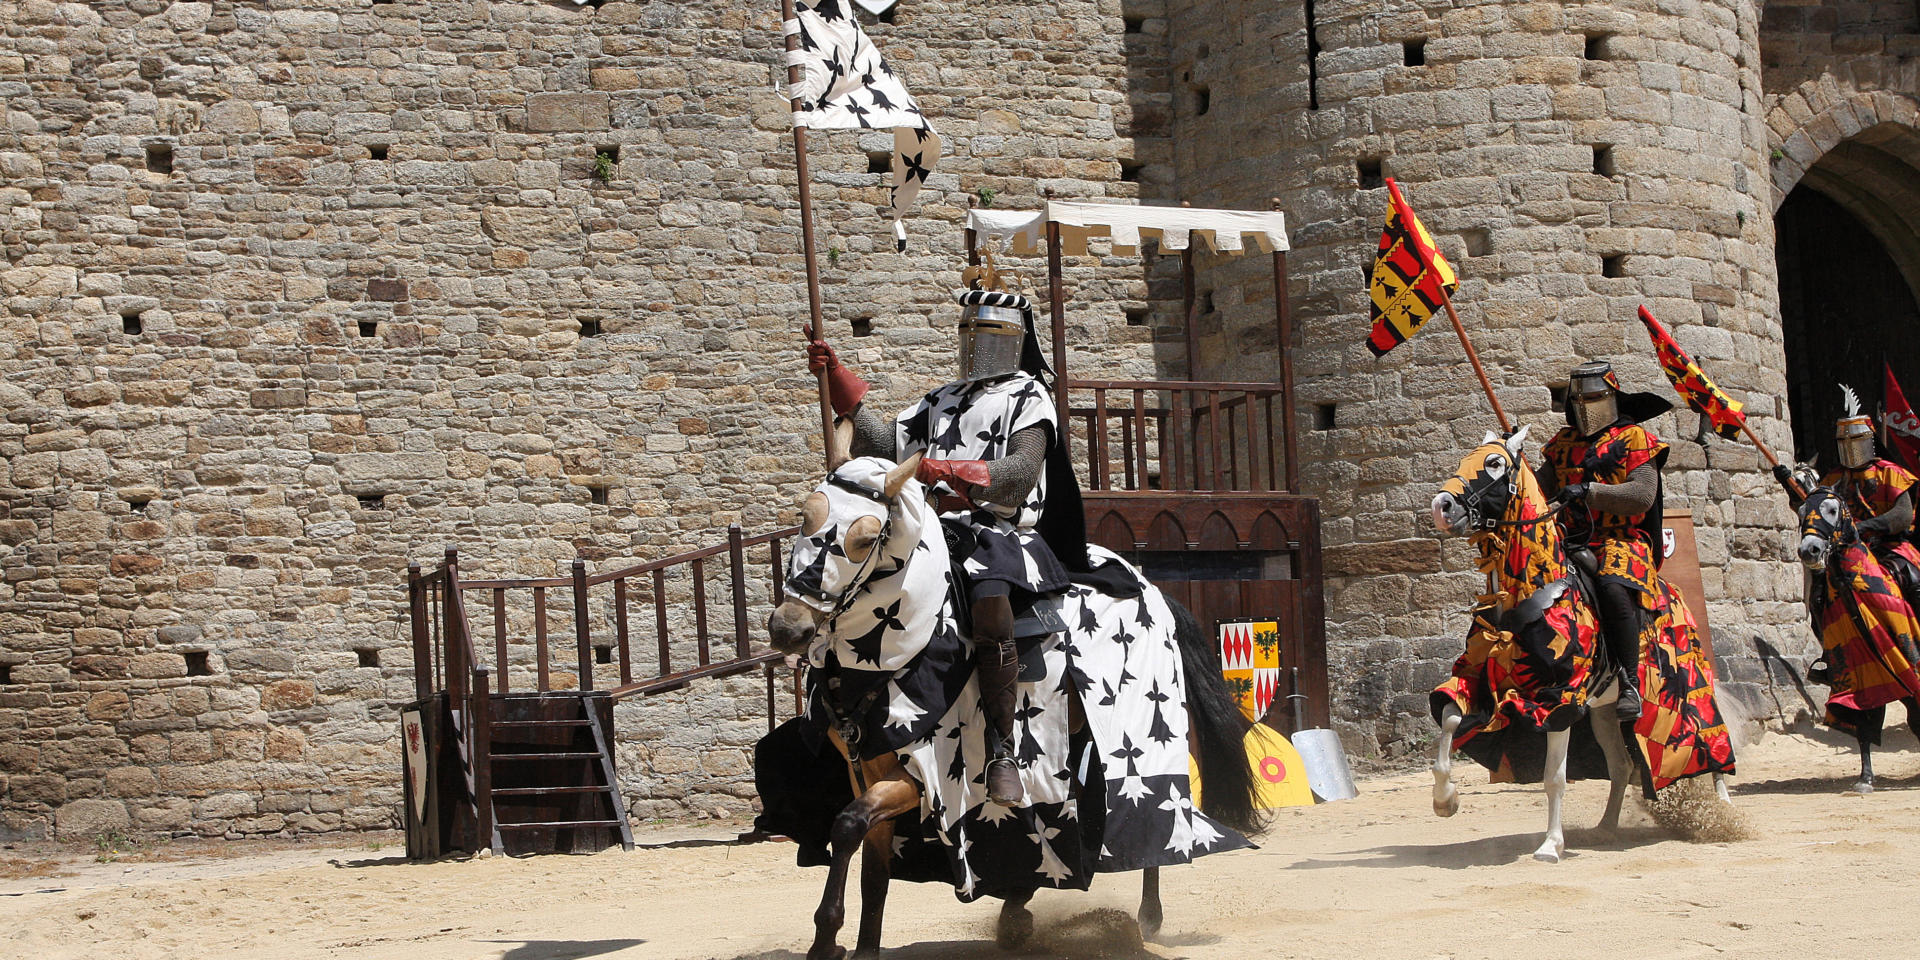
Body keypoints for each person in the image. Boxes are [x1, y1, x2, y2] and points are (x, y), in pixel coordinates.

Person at [803, 287, 1087, 807]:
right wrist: (839, 381)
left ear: (1015, 339)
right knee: (856, 578)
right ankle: (836, 717)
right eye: (969, 331)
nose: (977, 343)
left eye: (990, 333)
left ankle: (1003, 747)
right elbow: (884, 444)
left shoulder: (1029, 395)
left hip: (1001, 531)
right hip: (935, 528)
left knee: (989, 594)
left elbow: (1019, 476)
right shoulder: (942, 398)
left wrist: (949, 471)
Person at [1538, 360, 1677, 721]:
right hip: (1568, 539)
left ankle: (1628, 681)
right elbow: (1539, 492)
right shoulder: (1561, 445)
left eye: (1595, 399)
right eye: (1579, 402)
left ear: (1612, 397)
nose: (1586, 410)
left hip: (1621, 540)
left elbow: (1641, 495)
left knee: (1613, 587)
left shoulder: (1635, 440)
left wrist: (1589, 491)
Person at [1817, 386, 1920, 599]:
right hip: (1843, 549)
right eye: (1844, 443)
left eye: (1855, 442)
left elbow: (1902, 516)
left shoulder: (1891, 474)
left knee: (1911, 580)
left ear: (1868, 441)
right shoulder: (1832, 479)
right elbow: (1815, 510)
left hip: (1889, 547)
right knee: (1818, 588)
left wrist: (1862, 527)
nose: (1850, 448)